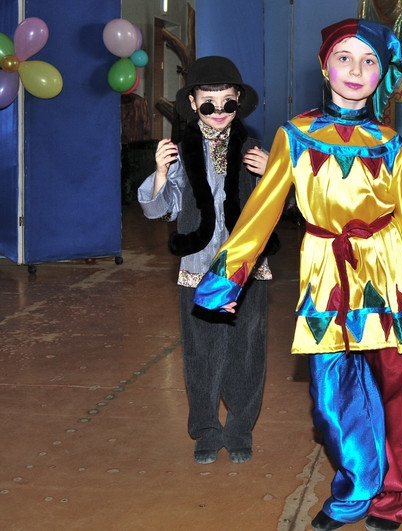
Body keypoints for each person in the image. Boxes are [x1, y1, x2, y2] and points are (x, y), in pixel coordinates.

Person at [192, 19, 402, 531]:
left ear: (382, 74)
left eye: (369, 60)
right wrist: (226, 281)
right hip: (325, 272)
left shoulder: (390, 143)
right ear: (325, 66)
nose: (356, 69)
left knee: (401, 388)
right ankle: (356, 489)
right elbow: (261, 211)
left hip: (388, 272)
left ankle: (400, 492)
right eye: (345, 58)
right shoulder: (295, 135)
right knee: (332, 394)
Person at [138, 56, 278, 465]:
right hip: (199, 267)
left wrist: (274, 175)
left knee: (247, 348)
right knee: (201, 351)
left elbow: (284, 208)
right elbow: (159, 209)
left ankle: (239, 428)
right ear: (193, 103)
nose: (219, 112)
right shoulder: (181, 154)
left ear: (239, 101)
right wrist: (160, 174)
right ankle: (205, 428)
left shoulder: (253, 151)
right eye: (208, 104)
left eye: (228, 103)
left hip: (246, 269)